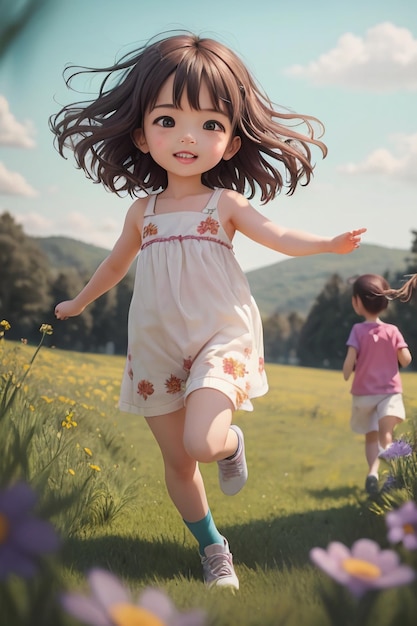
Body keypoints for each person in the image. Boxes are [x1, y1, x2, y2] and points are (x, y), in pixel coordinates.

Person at [51, 32, 366, 590]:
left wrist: (326, 245)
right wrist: (79, 301)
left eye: (211, 124)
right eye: (168, 120)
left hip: (222, 336)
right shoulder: (141, 212)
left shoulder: (225, 204)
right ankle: (214, 548)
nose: (188, 137)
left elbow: (278, 234)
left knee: (202, 442)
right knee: (178, 463)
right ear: (143, 134)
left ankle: (230, 442)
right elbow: (113, 267)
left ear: (231, 139)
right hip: (154, 344)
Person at [342, 274, 412, 496]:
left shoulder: (357, 331)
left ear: (357, 302)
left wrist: (347, 372)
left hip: (363, 395)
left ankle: (373, 473)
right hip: (389, 394)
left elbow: (349, 363)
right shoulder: (392, 331)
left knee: (371, 437)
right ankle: (390, 477)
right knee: (386, 435)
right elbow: (406, 359)